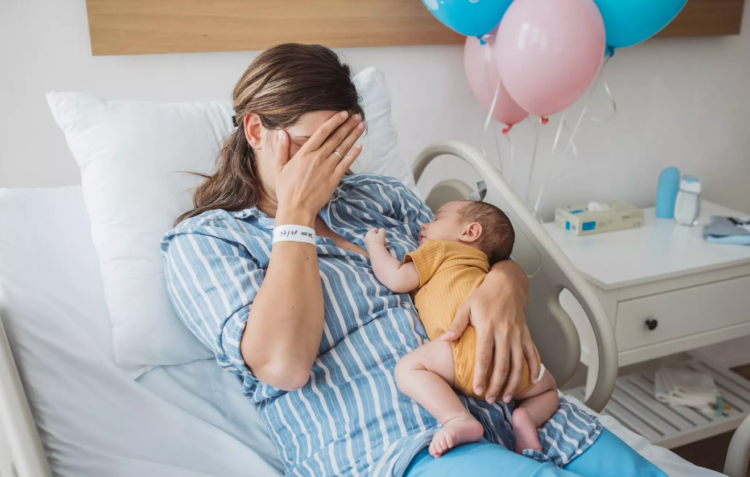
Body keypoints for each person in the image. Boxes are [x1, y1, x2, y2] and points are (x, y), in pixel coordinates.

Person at [161, 43, 667, 477]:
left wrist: (507, 286)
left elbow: (467, 254)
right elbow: (283, 366)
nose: (329, 170)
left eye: (343, 150)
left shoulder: (380, 197)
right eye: (312, 149)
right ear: (255, 131)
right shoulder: (208, 242)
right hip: (401, 446)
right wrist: (296, 212)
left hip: (516, 411)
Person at [364, 200, 559, 458]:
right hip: (513, 363)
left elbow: (397, 277)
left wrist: (375, 247)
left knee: (407, 368)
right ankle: (526, 417)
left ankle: (457, 418)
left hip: (460, 355)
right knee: (549, 389)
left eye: (436, 218)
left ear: (469, 232)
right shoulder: (486, 269)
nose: (424, 224)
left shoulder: (440, 249)